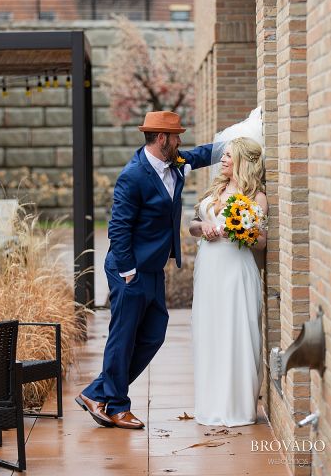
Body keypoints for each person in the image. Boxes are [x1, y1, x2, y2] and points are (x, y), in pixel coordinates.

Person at [76, 111, 222, 429]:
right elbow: (118, 228)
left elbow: (199, 155)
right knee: (123, 338)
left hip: (154, 268)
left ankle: (96, 393)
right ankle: (116, 405)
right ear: (161, 139)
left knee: (154, 333)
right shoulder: (134, 176)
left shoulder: (175, 162)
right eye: (176, 136)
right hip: (130, 270)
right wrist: (128, 273)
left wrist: (237, 143)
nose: (180, 141)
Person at [190, 112, 267, 426]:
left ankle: (236, 407)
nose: (221, 159)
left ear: (242, 162)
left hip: (236, 270)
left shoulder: (256, 197)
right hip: (209, 269)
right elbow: (193, 226)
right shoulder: (213, 191)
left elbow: (261, 242)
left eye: (228, 155)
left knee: (236, 332)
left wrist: (242, 232)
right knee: (210, 332)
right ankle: (210, 405)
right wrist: (204, 226)